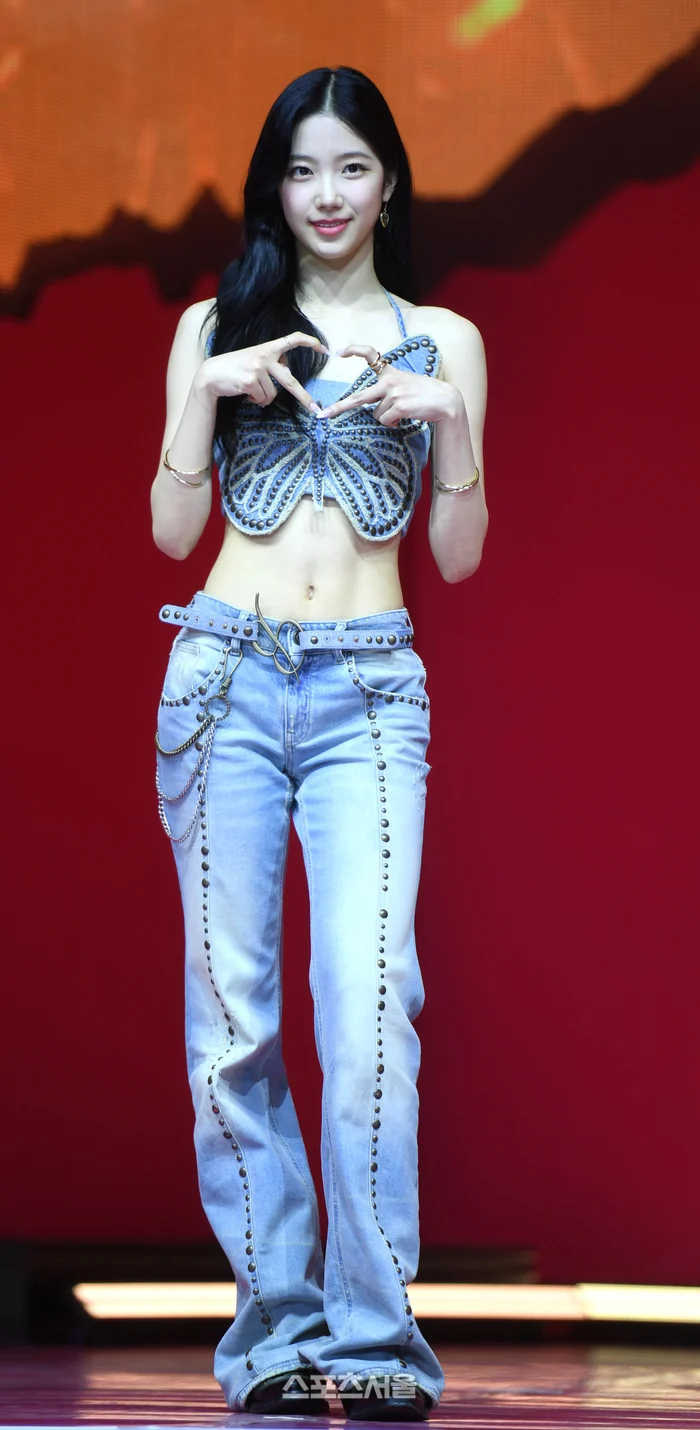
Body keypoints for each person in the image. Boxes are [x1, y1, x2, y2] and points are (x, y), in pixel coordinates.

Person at [151, 65, 488, 1423]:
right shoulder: (214, 325)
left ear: (389, 182)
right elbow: (172, 529)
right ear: (273, 188)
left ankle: (377, 1336)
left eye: (351, 168)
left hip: (368, 692)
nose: (327, 194)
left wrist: (450, 424)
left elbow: (457, 555)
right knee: (234, 1019)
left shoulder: (443, 338)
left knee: (369, 1005)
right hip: (223, 674)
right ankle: (275, 1334)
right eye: (303, 170)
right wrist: (207, 387)